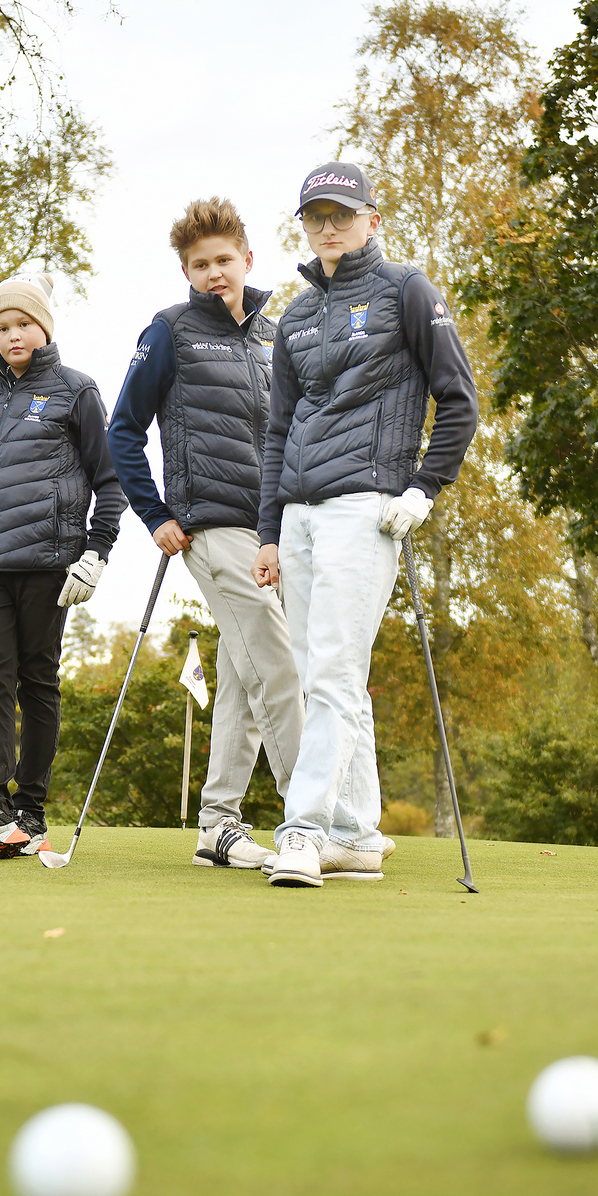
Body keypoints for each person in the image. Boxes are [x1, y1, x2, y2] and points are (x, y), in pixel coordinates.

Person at [253, 162, 478, 888]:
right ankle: (354, 833)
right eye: (316, 216)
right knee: (331, 676)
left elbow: (459, 399)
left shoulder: (406, 289)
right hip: (299, 513)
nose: (328, 228)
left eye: (341, 215)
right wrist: (266, 530)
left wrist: (425, 487)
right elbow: (278, 430)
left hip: (368, 507)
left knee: (333, 674)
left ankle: (302, 830)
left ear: (372, 219)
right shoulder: (295, 315)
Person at [106, 197, 303, 870]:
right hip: (212, 528)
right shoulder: (168, 332)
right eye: (200, 264)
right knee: (277, 663)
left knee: (247, 674)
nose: (215, 272)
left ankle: (218, 825)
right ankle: (314, 817)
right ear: (185, 272)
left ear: (249, 259)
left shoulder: (279, 335)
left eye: (225, 259)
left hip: (278, 531)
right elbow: (122, 431)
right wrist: (154, 513)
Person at [0, 272, 127, 860]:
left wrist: (96, 554)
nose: (12, 334)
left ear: (44, 327)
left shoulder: (76, 391)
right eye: (2, 327)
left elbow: (111, 481)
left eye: (22, 323)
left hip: (48, 562)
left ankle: (31, 809)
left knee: (37, 681)